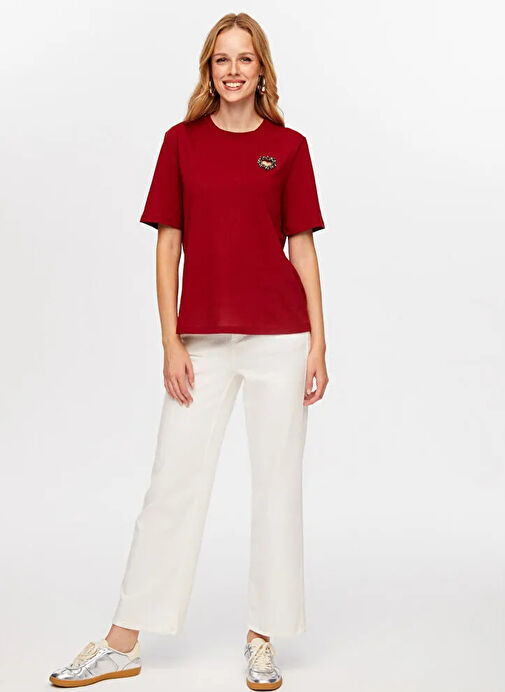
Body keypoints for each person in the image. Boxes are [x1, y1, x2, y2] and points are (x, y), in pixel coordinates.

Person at [49, 11, 329, 691]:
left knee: (277, 487)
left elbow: (301, 247)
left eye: (245, 59)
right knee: (172, 483)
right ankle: (122, 642)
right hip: (201, 338)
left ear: (261, 70)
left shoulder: (288, 147)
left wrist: (319, 342)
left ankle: (262, 637)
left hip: (281, 338)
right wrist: (170, 339)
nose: (233, 70)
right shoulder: (181, 143)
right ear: (209, 70)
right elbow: (167, 242)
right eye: (221, 59)